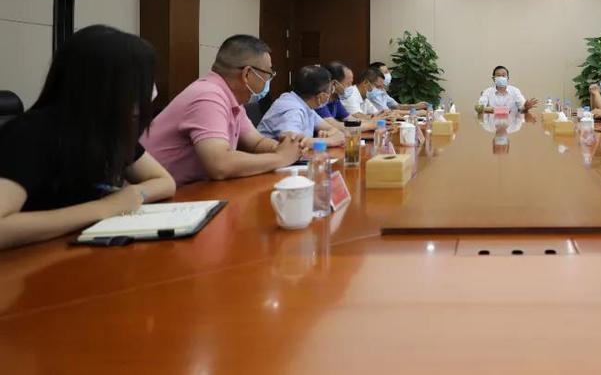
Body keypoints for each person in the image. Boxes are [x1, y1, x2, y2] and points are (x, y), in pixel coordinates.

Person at [0, 25, 176, 250]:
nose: (146, 95)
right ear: (104, 86)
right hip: (28, 260)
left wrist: (135, 194)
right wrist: (107, 208)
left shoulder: (107, 130)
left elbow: (165, 182)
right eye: (139, 84)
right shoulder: (29, 133)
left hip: (81, 250)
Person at [141, 35, 302, 187]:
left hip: (188, 191)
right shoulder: (208, 96)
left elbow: (256, 143)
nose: (268, 81)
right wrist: (281, 158)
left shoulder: (231, 98)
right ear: (247, 74)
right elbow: (219, 165)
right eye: (268, 74)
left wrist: (289, 147)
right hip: (152, 197)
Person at [258, 65, 347, 147]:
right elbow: (291, 144)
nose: (331, 93)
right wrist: (329, 141)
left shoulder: (306, 106)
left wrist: (331, 134)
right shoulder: (293, 110)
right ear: (321, 96)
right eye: (330, 90)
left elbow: (334, 130)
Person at [361, 66, 428, 114]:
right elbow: (386, 113)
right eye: (378, 86)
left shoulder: (381, 92)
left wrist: (416, 106)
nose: (382, 88)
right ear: (366, 83)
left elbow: (397, 106)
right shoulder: (368, 96)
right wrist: (415, 112)